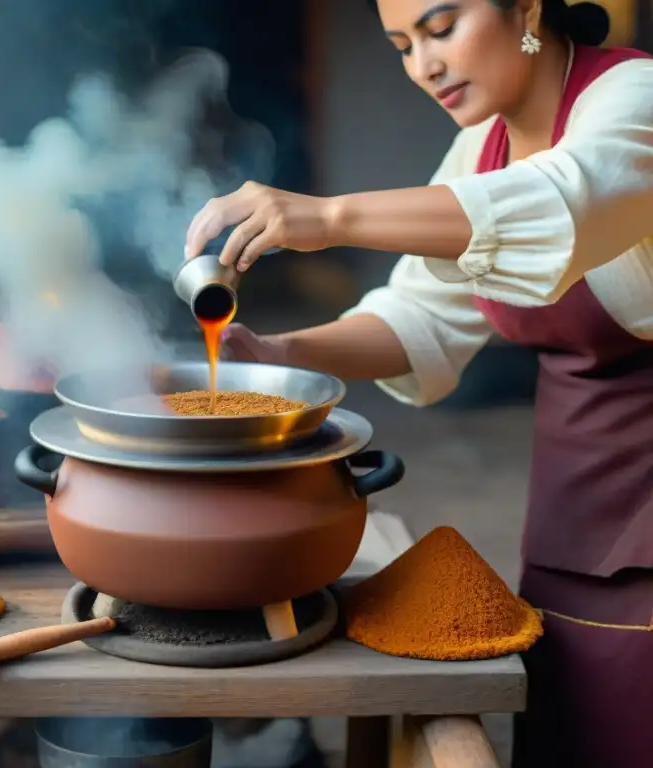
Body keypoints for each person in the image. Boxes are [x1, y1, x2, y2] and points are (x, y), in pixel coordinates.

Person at [183, 1, 652, 766]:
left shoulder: (633, 100)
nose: (423, 66)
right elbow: (422, 317)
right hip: (578, 489)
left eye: (441, 29)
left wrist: (329, 216)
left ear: (528, 7)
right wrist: (279, 352)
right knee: (568, 720)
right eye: (401, 46)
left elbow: (561, 201)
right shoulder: (481, 147)